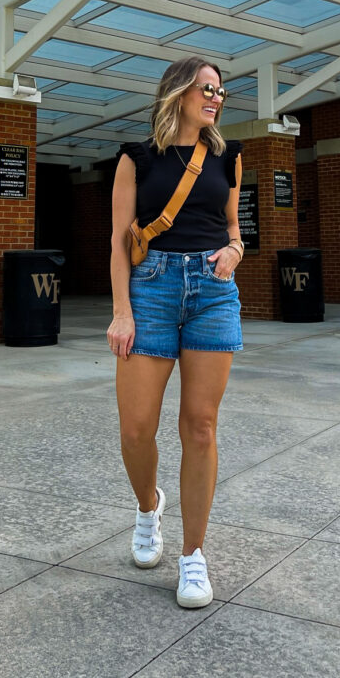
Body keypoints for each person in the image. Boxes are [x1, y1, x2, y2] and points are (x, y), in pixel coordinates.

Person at [107, 55, 244, 608]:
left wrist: (236, 249)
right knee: (137, 428)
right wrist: (122, 311)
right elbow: (120, 240)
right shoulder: (137, 158)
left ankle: (193, 556)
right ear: (180, 92)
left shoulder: (228, 156)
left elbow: (234, 226)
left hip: (212, 291)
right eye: (207, 89)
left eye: (221, 92)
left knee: (201, 426)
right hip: (152, 289)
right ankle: (148, 507)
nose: (216, 98)